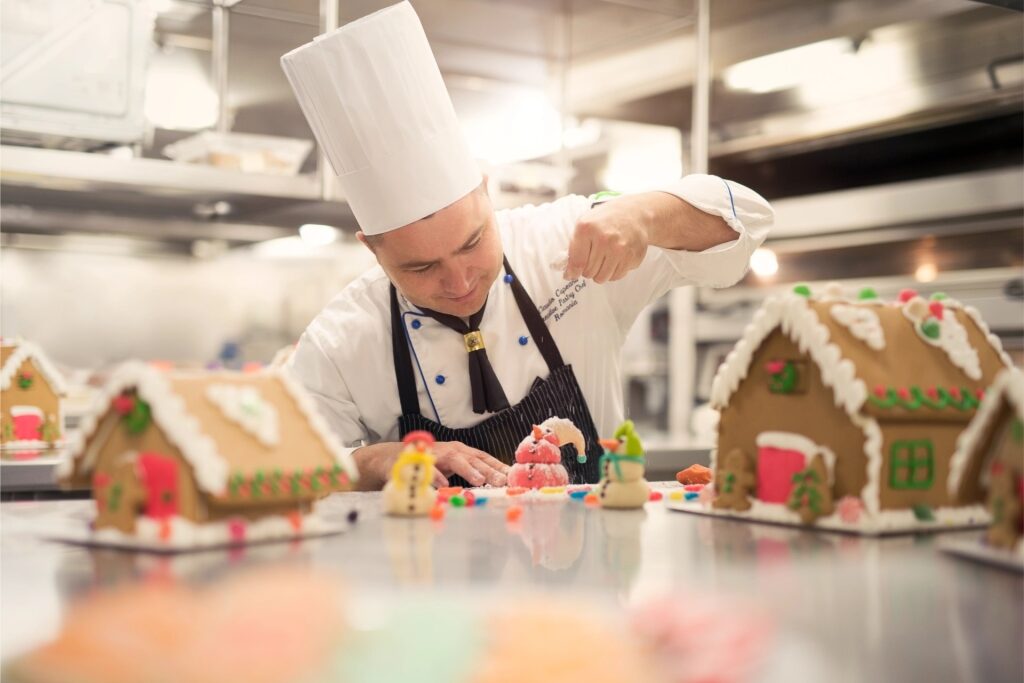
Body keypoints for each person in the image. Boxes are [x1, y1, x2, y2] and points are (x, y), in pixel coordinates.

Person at [281, 1, 773, 490]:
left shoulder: (560, 242)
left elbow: (746, 222)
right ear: (372, 249)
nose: (459, 281)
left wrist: (644, 215)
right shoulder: (341, 342)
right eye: (421, 267)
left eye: (472, 242)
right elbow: (289, 468)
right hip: (435, 570)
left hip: (599, 559)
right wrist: (377, 461)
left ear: (487, 191)